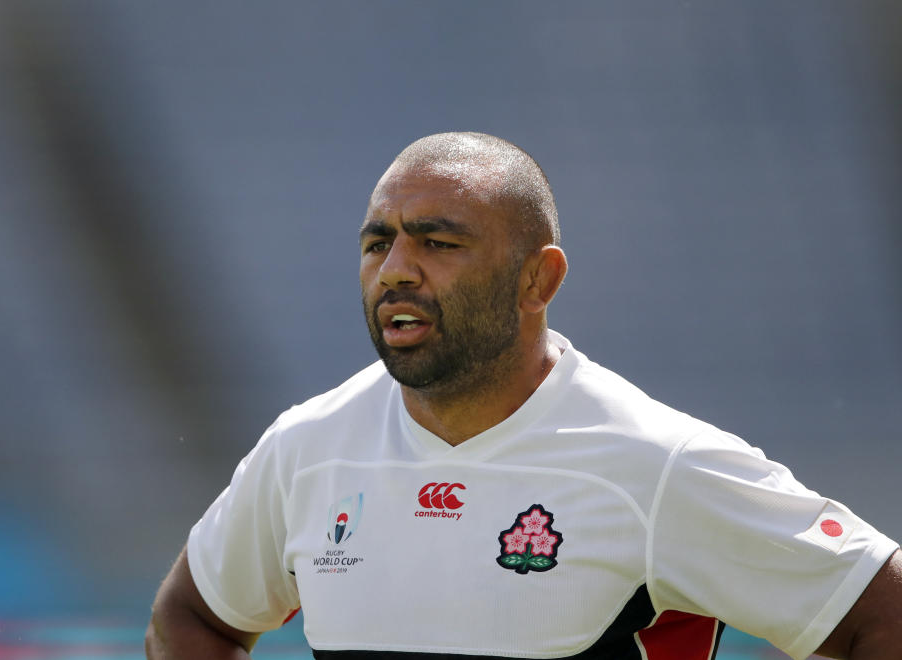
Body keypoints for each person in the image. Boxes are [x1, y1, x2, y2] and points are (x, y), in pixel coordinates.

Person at [146, 132, 901, 660]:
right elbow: (192, 618)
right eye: (379, 243)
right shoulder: (305, 451)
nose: (396, 270)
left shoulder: (657, 464)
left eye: (437, 243)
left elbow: (883, 612)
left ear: (538, 280)